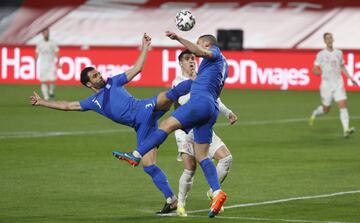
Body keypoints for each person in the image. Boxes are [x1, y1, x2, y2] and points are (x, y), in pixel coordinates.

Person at [30, 33, 194, 214]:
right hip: (141, 127)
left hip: (144, 108)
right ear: (88, 84)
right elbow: (67, 105)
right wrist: (42, 102)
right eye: (95, 76)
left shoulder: (113, 82)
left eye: (98, 73)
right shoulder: (92, 102)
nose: (100, 76)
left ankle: (196, 83)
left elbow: (137, 68)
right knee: (148, 166)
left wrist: (145, 47)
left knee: (169, 95)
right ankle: (171, 200)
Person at [113, 31, 229, 218]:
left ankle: (135, 154)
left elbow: (202, 52)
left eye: (199, 43)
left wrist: (179, 39)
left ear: (207, 45)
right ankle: (216, 192)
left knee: (166, 124)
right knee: (202, 156)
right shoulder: (224, 65)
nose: (196, 48)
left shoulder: (213, 53)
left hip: (199, 103)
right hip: (210, 110)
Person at [172, 50, 237, 217]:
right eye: (187, 59)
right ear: (180, 63)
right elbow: (184, 101)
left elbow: (214, 98)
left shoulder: (202, 78)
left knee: (226, 158)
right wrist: (195, 83)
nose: (191, 61)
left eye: (193, 58)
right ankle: (181, 204)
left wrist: (228, 112)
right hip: (186, 131)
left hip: (203, 127)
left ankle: (213, 192)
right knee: (190, 168)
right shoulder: (178, 82)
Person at [309, 32, 358, 138]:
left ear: (333, 39)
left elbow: (342, 67)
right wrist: (316, 72)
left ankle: (346, 129)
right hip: (326, 85)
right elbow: (314, 68)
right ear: (324, 41)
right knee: (326, 109)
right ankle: (315, 112)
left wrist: (350, 78)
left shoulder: (339, 52)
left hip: (338, 84)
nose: (329, 40)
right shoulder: (321, 54)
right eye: (327, 38)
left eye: (330, 38)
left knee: (343, 105)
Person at [35, 28, 59, 100]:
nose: (46, 34)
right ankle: (46, 97)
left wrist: (59, 62)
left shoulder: (53, 43)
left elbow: (57, 52)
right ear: (43, 34)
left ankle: (51, 92)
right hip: (43, 65)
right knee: (43, 81)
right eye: (45, 33)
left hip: (51, 64)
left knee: (53, 80)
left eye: (47, 33)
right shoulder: (39, 43)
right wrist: (35, 61)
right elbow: (37, 54)